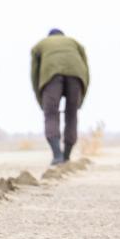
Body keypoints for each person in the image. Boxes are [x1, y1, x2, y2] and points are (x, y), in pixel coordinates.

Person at [30, 29, 90, 165]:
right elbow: (86, 72)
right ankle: (66, 156)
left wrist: (41, 102)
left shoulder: (40, 45)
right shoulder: (75, 43)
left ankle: (57, 156)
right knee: (72, 114)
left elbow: (34, 75)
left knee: (51, 114)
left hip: (50, 76)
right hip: (77, 76)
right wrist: (81, 99)